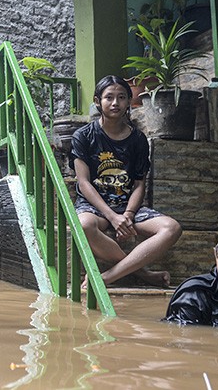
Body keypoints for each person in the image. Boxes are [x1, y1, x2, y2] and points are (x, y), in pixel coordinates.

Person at [70, 75, 182, 288]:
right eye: (109, 97)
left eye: (121, 97)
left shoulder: (138, 139)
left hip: (128, 206)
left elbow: (139, 184)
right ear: (97, 101)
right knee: (83, 225)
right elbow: (84, 183)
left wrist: (128, 215)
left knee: (172, 228)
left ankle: (108, 277)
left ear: (129, 101)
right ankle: (144, 275)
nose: (115, 103)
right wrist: (113, 217)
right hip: (93, 206)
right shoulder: (83, 136)